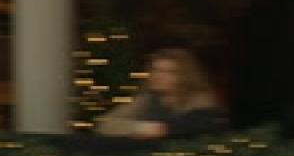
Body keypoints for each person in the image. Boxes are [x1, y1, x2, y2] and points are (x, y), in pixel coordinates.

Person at [94, 48, 229, 140]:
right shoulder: (146, 99)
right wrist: (139, 127)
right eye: (155, 70)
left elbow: (199, 125)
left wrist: (163, 129)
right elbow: (105, 124)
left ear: (184, 77)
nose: (158, 76)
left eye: (168, 72)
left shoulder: (200, 100)